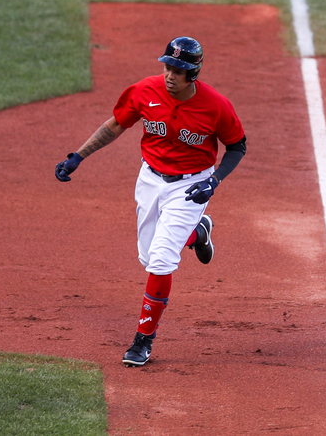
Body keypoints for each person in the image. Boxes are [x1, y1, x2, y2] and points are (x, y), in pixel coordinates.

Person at [55, 37, 246, 366]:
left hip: (191, 185)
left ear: (194, 72)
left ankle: (143, 340)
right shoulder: (145, 90)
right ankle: (198, 232)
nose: (170, 75)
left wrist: (213, 181)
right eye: (167, 67)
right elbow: (116, 124)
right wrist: (78, 156)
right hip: (150, 179)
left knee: (160, 262)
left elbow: (237, 146)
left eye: (179, 70)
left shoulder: (216, 105)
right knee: (148, 256)